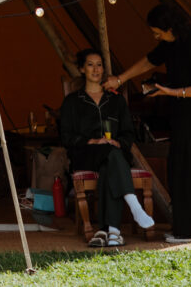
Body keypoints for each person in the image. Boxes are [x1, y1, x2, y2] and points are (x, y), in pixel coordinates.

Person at [108, 2, 191, 244]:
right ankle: (186, 227)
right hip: (182, 116)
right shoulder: (172, 42)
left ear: (170, 28)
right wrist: (120, 79)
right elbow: (150, 60)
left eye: (157, 32)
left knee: (190, 171)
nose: (155, 36)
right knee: (178, 170)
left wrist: (172, 92)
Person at [58, 48, 155, 248]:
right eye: (90, 65)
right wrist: (92, 141)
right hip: (85, 155)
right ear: (82, 69)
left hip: (113, 155)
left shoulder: (116, 100)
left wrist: (119, 142)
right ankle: (133, 205)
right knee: (111, 156)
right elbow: (66, 136)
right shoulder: (72, 102)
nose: (96, 69)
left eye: (99, 65)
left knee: (109, 163)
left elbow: (128, 133)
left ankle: (109, 232)